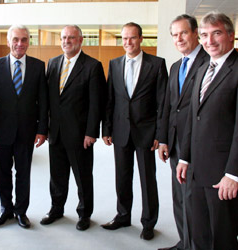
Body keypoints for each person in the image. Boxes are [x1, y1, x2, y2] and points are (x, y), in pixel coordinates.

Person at [176, 11, 238, 250]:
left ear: (231, 36)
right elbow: (194, 117)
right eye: (204, 35)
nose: (209, 41)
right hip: (196, 171)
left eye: (216, 33)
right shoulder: (202, 69)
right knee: (199, 233)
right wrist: (184, 157)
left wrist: (233, 175)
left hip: (223, 175)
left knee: (222, 238)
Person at [101, 22, 168, 240]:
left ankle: (148, 222)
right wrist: (107, 128)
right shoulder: (114, 63)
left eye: (132, 38)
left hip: (146, 133)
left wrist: (160, 134)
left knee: (148, 180)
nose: (128, 43)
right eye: (124, 38)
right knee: (122, 176)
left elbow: (162, 103)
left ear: (141, 39)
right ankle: (123, 215)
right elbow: (110, 99)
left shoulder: (157, 64)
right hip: (120, 131)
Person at [40, 25, 105, 231]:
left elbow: (97, 103)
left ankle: (84, 213)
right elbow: (48, 100)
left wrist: (91, 132)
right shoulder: (53, 63)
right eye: (64, 37)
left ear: (80, 40)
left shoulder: (93, 66)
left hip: (80, 135)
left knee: (83, 176)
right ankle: (56, 209)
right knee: (57, 176)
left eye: (71, 38)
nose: (66, 41)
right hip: (56, 133)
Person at [0, 25, 48, 229]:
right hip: (1, 132)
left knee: (23, 173)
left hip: (27, 131)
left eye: (24, 39)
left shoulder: (38, 66)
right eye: (16, 39)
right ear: (8, 41)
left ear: (29, 41)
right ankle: (5, 209)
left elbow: (43, 102)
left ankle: (21, 211)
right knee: (2, 172)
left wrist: (42, 130)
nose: (20, 44)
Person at [157, 15, 209, 250]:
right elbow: (169, 106)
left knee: (193, 199)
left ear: (195, 32)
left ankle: (196, 245)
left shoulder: (209, 62)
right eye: (175, 34)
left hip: (198, 143)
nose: (179, 38)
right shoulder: (176, 65)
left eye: (183, 33)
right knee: (179, 196)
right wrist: (164, 140)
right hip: (175, 141)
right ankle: (184, 242)